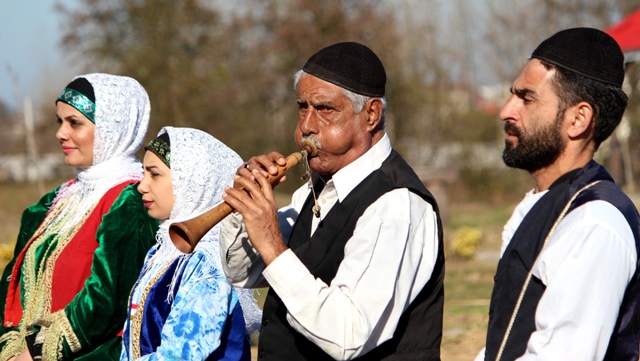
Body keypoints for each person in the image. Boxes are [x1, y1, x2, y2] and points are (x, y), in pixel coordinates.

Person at [220, 41, 445, 360]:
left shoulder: (396, 204)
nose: (307, 127)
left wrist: (271, 243)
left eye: (325, 109)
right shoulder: (312, 191)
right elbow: (242, 273)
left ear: (371, 115)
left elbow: (347, 336)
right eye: (302, 107)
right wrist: (244, 207)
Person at [475, 27, 640, 361]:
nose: (507, 110)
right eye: (512, 94)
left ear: (578, 118)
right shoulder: (548, 204)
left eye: (527, 97)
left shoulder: (594, 225)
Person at [0, 74, 158, 360]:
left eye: (75, 123)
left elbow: (107, 302)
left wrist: (35, 351)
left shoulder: (132, 201)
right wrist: (10, 348)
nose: (61, 133)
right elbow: (11, 284)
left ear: (112, 128)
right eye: (60, 121)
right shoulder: (54, 202)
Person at [120, 127, 261, 361]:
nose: (142, 186)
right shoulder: (161, 252)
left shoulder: (208, 264)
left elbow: (181, 355)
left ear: (192, 180)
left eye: (154, 175)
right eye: (144, 174)